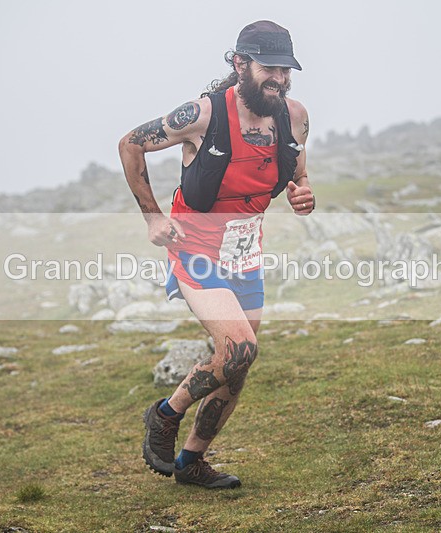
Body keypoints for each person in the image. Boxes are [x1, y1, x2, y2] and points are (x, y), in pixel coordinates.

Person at [119, 20, 315, 489]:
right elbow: (130, 144)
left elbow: (298, 170)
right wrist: (152, 216)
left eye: (287, 71)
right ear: (239, 64)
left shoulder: (295, 115)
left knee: (238, 366)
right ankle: (165, 415)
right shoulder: (201, 115)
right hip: (196, 250)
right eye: (271, 69)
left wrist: (302, 191)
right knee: (240, 347)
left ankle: (191, 463)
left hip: (246, 254)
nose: (281, 79)